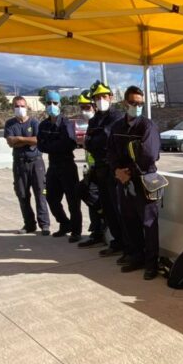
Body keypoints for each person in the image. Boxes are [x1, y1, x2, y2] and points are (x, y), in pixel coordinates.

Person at [107, 86, 161, 280]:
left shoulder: (147, 126)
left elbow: (149, 155)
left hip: (144, 180)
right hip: (123, 180)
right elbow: (111, 152)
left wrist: (127, 171)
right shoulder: (117, 127)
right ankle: (136, 256)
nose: (137, 107)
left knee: (149, 224)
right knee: (129, 220)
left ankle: (151, 263)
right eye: (133, 103)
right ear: (125, 103)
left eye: (140, 104)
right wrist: (117, 171)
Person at [82, 81, 126, 252]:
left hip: (114, 168)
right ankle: (117, 242)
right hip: (100, 168)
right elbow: (89, 143)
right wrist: (94, 140)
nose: (101, 100)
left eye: (104, 97)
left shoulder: (117, 117)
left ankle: (127, 244)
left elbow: (107, 139)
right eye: (97, 98)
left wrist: (94, 139)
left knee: (119, 208)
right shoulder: (94, 120)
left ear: (111, 97)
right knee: (108, 208)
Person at [36, 90, 82, 243]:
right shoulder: (43, 125)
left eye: (54, 103)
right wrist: (55, 145)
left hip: (67, 165)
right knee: (51, 198)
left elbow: (69, 144)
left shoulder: (66, 123)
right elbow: (41, 145)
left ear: (59, 105)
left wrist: (51, 145)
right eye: (48, 103)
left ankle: (76, 231)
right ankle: (65, 224)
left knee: (73, 201)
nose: (51, 106)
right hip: (53, 166)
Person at [4, 96, 50, 235]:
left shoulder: (35, 122)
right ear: (13, 107)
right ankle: (29, 224)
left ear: (27, 107)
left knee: (40, 193)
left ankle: (45, 225)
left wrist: (19, 139)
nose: (20, 109)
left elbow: (37, 140)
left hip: (36, 162)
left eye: (22, 106)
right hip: (19, 163)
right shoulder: (10, 124)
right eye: (17, 106)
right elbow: (10, 142)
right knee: (22, 194)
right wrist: (26, 141)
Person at [76, 89, 105, 247]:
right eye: (82, 108)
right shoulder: (91, 125)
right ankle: (96, 231)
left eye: (87, 107)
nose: (84, 111)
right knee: (84, 192)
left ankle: (101, 226)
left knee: (90, 193)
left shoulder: (101, 123)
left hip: (102, 168)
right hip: (91, 168)